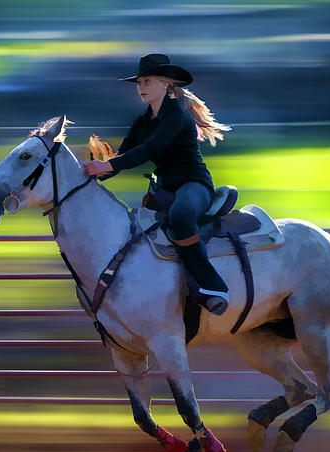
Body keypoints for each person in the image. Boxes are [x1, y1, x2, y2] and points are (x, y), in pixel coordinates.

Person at [83, 53, 232, 315]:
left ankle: (213, 286)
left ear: (167, 84)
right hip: (164, 188)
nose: (141, 87)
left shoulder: (176, 115)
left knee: (181, 215)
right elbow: (123, 154)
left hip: (193, 184)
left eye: (147, 81)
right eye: (139, 82)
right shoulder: (143, 121)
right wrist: (93, 172)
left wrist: (108, 166)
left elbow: (150, 149)